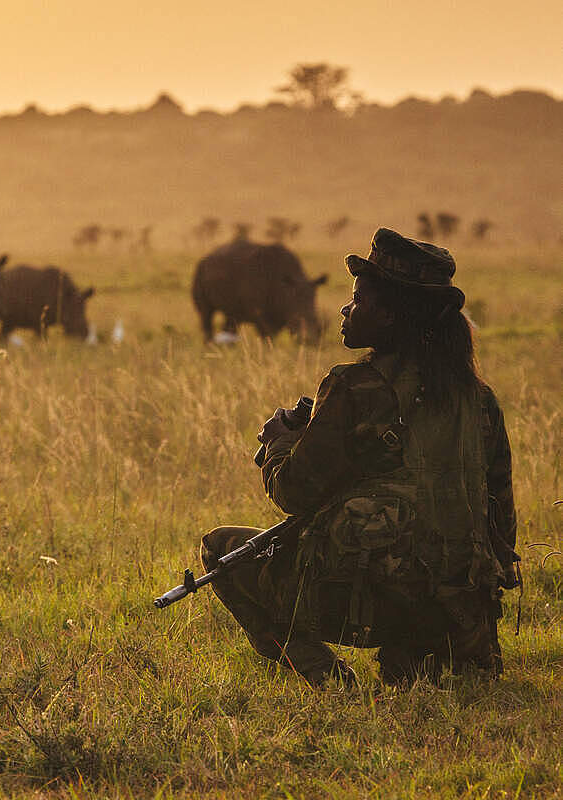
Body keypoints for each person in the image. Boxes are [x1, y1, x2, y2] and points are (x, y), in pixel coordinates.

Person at [201, 228, 520, 687]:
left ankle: (326, 677)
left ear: (390, 316)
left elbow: (293, 493)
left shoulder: (353, 387)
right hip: (462, 614)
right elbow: (500, 520)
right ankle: (421, 653)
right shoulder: (479, 399)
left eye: (358, 299)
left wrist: (278, 443)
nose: (346, 310)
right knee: (414, 667)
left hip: (375, 602)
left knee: (220, 550)